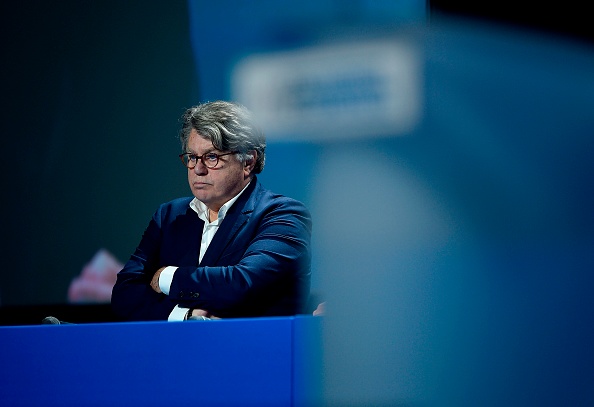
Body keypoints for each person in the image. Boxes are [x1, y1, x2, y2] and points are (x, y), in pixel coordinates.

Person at [111, 101, 312, 321]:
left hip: (254, 350)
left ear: (248, 161)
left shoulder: (283, 215)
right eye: (192, 157)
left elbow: (241, 283)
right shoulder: (170, 215)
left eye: (212, 157)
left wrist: (165, 277)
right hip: (172, 351)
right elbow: (124, 295)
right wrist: (184, 315)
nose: (198, 169)